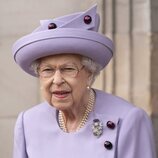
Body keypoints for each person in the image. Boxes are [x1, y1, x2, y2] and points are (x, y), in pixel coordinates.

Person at [12, 5, 157, 158]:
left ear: (89, 73)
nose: (57, 80)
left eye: (68, 69)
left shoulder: (129, 120)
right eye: (48, 70)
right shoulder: (28, 122)